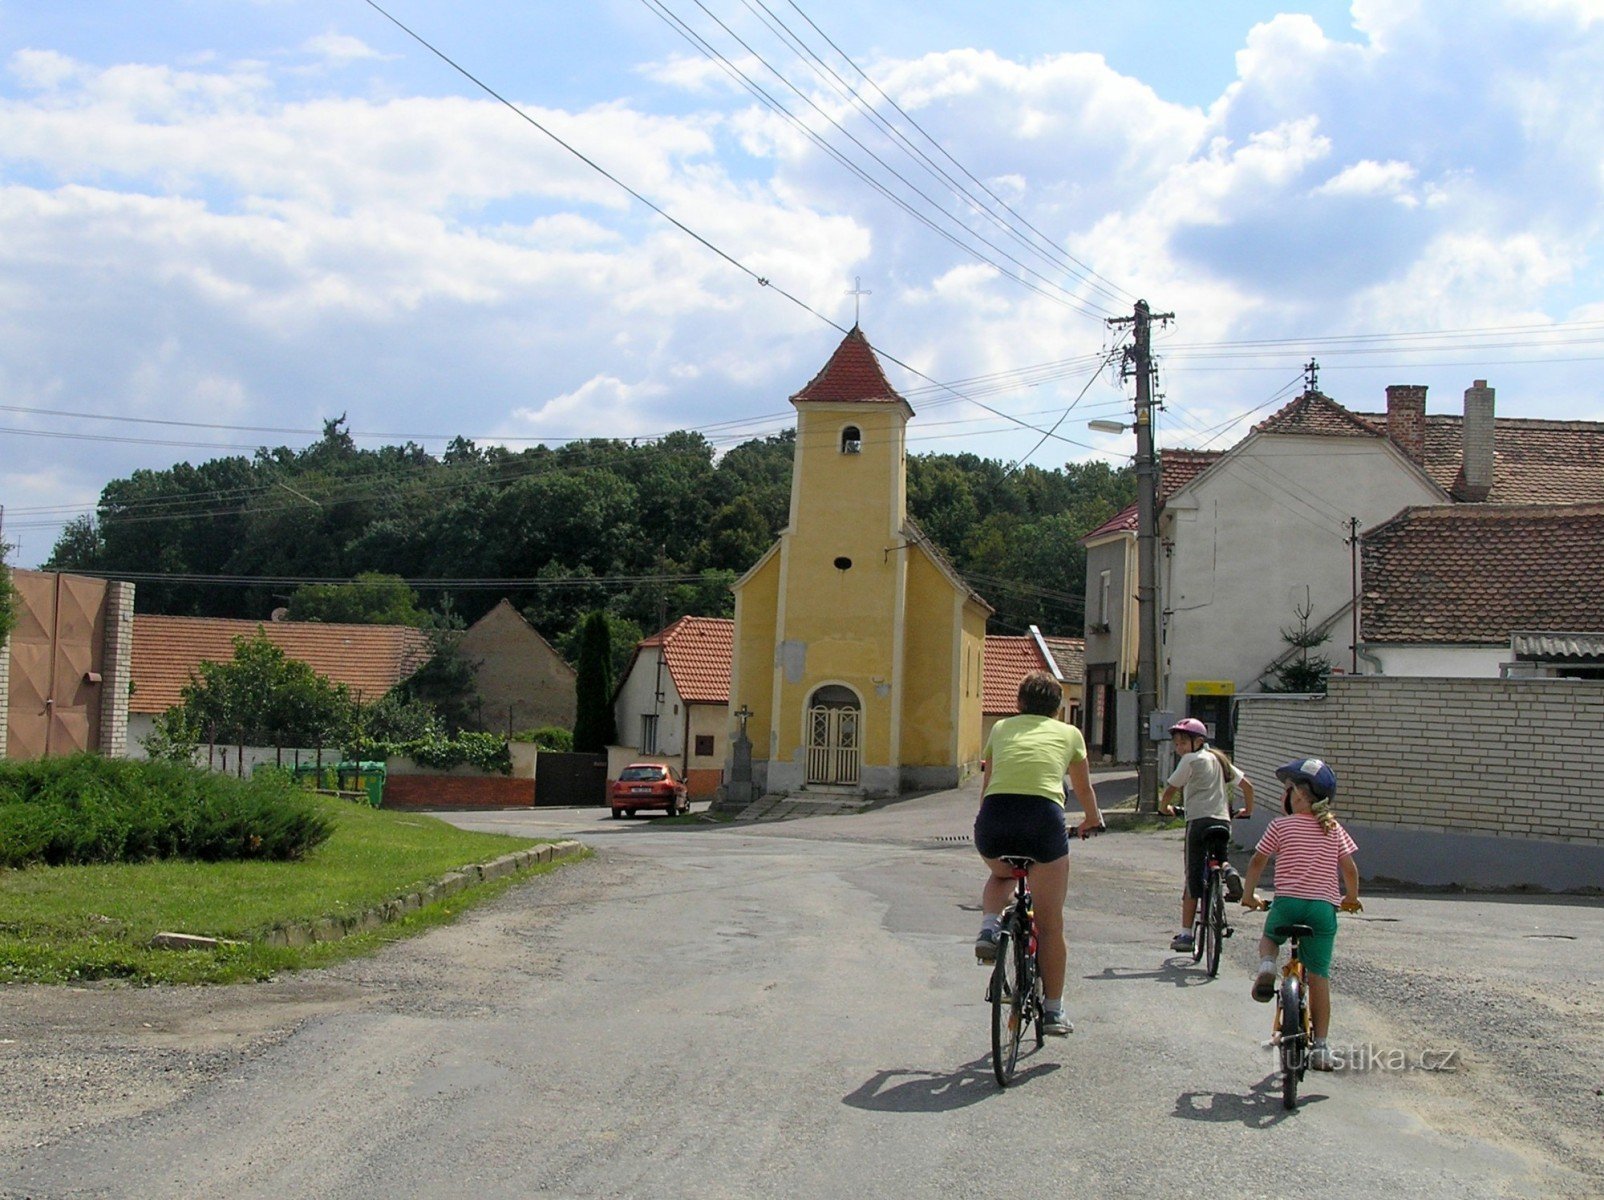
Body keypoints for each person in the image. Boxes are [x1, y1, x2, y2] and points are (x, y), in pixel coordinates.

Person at [973, 670, 1103, 1037]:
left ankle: (988, 925)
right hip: (1043, 820)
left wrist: (986, 822)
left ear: (1018, 704)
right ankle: (1053, 1011)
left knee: (1001, 874)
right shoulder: (1069, 734)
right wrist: (1091, 821)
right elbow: (1083, 788)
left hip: (995, 819)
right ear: (1058, 708)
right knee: (1050, 924)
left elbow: (987, 786)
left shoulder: (1000, 729)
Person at [1239, 756, 1363, 1072]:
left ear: (1296, 795)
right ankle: (1321, 1048)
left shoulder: (1279, 825)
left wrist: (1248, 894)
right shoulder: (1333, 828)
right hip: (1322, 910)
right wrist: (1350, 898)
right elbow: (1349, 869)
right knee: (1319, 976)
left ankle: (1268, 965)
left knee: (1270, 937)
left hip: (1287, 904)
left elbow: (1256, 861)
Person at [1159, 717, 1255, 953]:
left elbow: (1170, 790)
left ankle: (1186, 935)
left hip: (1198, 822)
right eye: (1177, 744)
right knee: (1220, 859)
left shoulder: (1190, 761)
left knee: (1192, 877)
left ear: (1198, 742)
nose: (1179, 748)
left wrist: (1164, 808)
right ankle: (1228, 871)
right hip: (1223, 820)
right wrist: (1247, 810)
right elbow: (1248, 787)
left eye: (1183, 743)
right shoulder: (1220, 760)